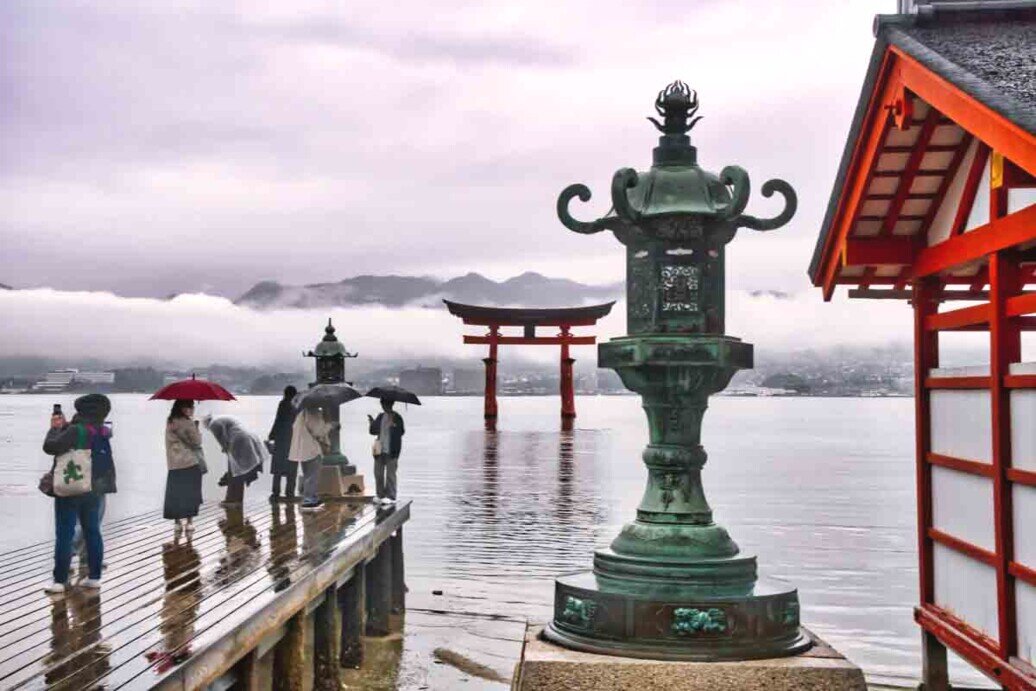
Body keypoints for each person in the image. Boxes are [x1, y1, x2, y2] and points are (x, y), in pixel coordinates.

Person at [43, 393, 117, 595]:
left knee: (64, 533)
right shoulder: (103, 430)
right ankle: (94, 578)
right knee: (93, 531)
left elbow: (50, 447)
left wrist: (55, 428)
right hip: (94, 490)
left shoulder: (76, 430)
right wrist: (67, 427)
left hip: (71, 487)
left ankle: (60, 581)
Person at [203, 416, 267, 506]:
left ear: (206, 423)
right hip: (249, 437)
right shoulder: (222, 419)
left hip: (238, 441)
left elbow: (222, 440)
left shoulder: (213, 425)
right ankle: (238, 500)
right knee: (239, 472)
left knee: (235, 472)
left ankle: (232, 500)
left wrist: (226, 450)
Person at [163, 399, 204, 537]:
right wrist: (197, 429)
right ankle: (189, 522)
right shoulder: (188, 422)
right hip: (190, 463)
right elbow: (197, 442)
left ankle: (177, 523)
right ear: (183, 408)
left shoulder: (170, 422)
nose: (192, 409)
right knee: (190, 494)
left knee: (175, 494)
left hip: (173, 464)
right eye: (190, 406)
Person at [288, 406, 334, 512]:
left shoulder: (302, 414)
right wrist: (330, 424)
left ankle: (312, 497)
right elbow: (319, 432)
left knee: (308, 474)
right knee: (312, 475)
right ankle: (308, 499)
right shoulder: (313, 413)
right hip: (312, 449)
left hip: (302, 449)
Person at [368, 398, 404, 505]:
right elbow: (372, 431)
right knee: (378, 474)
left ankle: (391, 496)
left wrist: (394, 425)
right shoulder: (380, 416)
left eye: (385, 404)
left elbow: (401, 432)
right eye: (383, 404)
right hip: (379, 450)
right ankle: (380, 495)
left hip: (392, 450)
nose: (384, 406)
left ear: (391, 404)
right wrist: (372, 422)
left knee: (390, 475)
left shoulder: (397, 417)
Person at [267, 386, 298, 503]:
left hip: (281, 440)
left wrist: (271, 435)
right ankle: (290, 493)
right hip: (294, 440)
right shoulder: (297, 406)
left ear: (285, 394)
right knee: (292, 467)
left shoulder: (283, 404)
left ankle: (276, 493)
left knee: (278, 469)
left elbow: (278, 420)